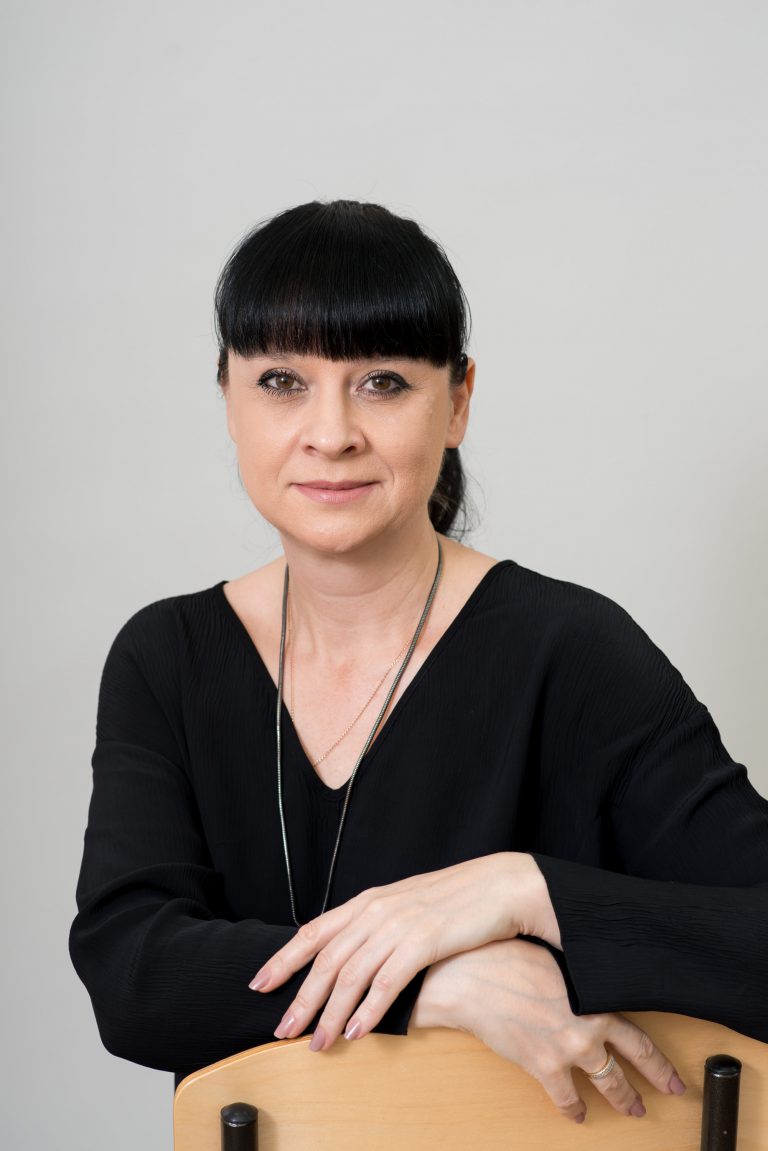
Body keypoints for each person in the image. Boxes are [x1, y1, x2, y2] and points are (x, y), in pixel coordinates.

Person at [68, 199, 768, 1127]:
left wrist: (524, 891)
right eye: (281, 380)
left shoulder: (575, 651)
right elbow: (133, 972)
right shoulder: (166, 657)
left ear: (458, 402)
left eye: (383, 382)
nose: (330, 433)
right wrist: (434, 982)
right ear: (228, 399)